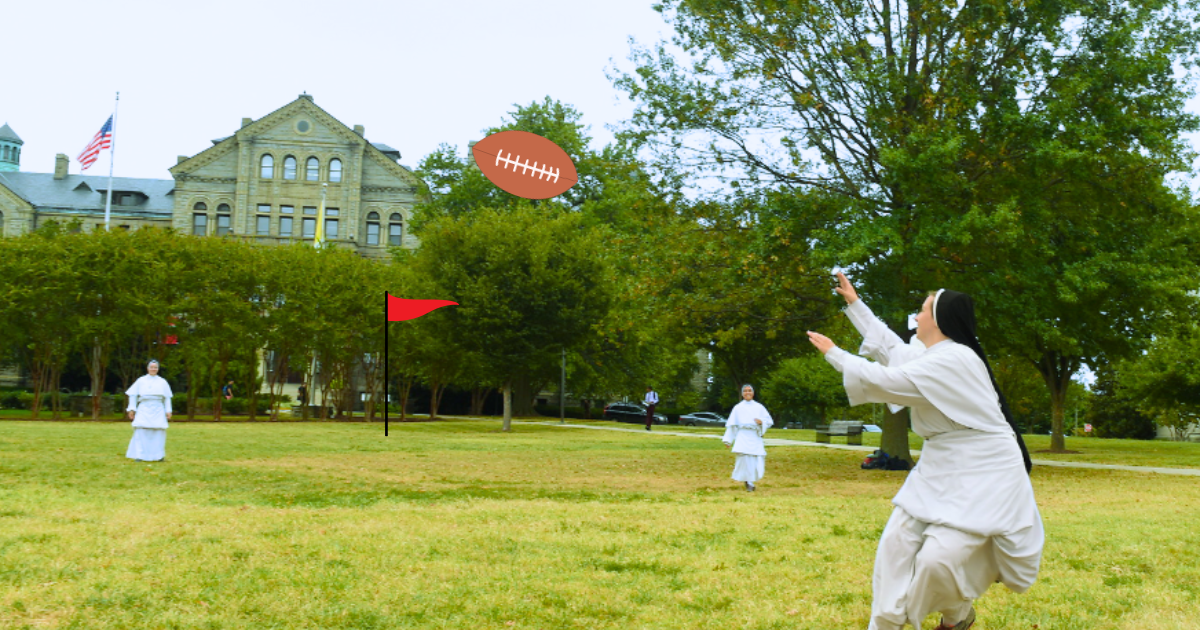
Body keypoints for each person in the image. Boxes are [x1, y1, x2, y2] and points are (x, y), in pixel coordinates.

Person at [806, 272, 1042, 630]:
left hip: (984, 470)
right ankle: (886, 624)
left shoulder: (956, 360)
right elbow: (890, 349)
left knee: (937, 561)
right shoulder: (930, 354)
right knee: (895, 545)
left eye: (922, 310)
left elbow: (888, 380)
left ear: (941, 319)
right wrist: (855, 304)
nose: (915, 317)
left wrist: (836, 354)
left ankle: (956, 616)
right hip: (940, 463)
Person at [721, 384, 773, 491]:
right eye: (745, 391)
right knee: (745, 460)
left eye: (749, 390)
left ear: (753, 393)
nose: (747, 392)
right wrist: (728, 440)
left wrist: (761, 422)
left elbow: (769, 421)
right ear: (742, 393)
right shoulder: (738, 408)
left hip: (754, 436)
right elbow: (732, 425)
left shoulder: (759, 407)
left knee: (756, 460)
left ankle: (751, 480)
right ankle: (749, 482)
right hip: (743, 436)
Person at [125, 359, 174, 462]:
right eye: (151, 367)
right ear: (148, 368)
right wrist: (132, 409)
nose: (153, 369)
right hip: (144, 408)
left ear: (158, 369)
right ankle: (140, 455)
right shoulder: (141, 380)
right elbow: (133, 395)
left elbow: (167, 397)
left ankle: (159, 455)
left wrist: (168, 411)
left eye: (155, 367)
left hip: (158, 409)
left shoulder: (162, 382)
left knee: (158, 432)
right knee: (141, 431)